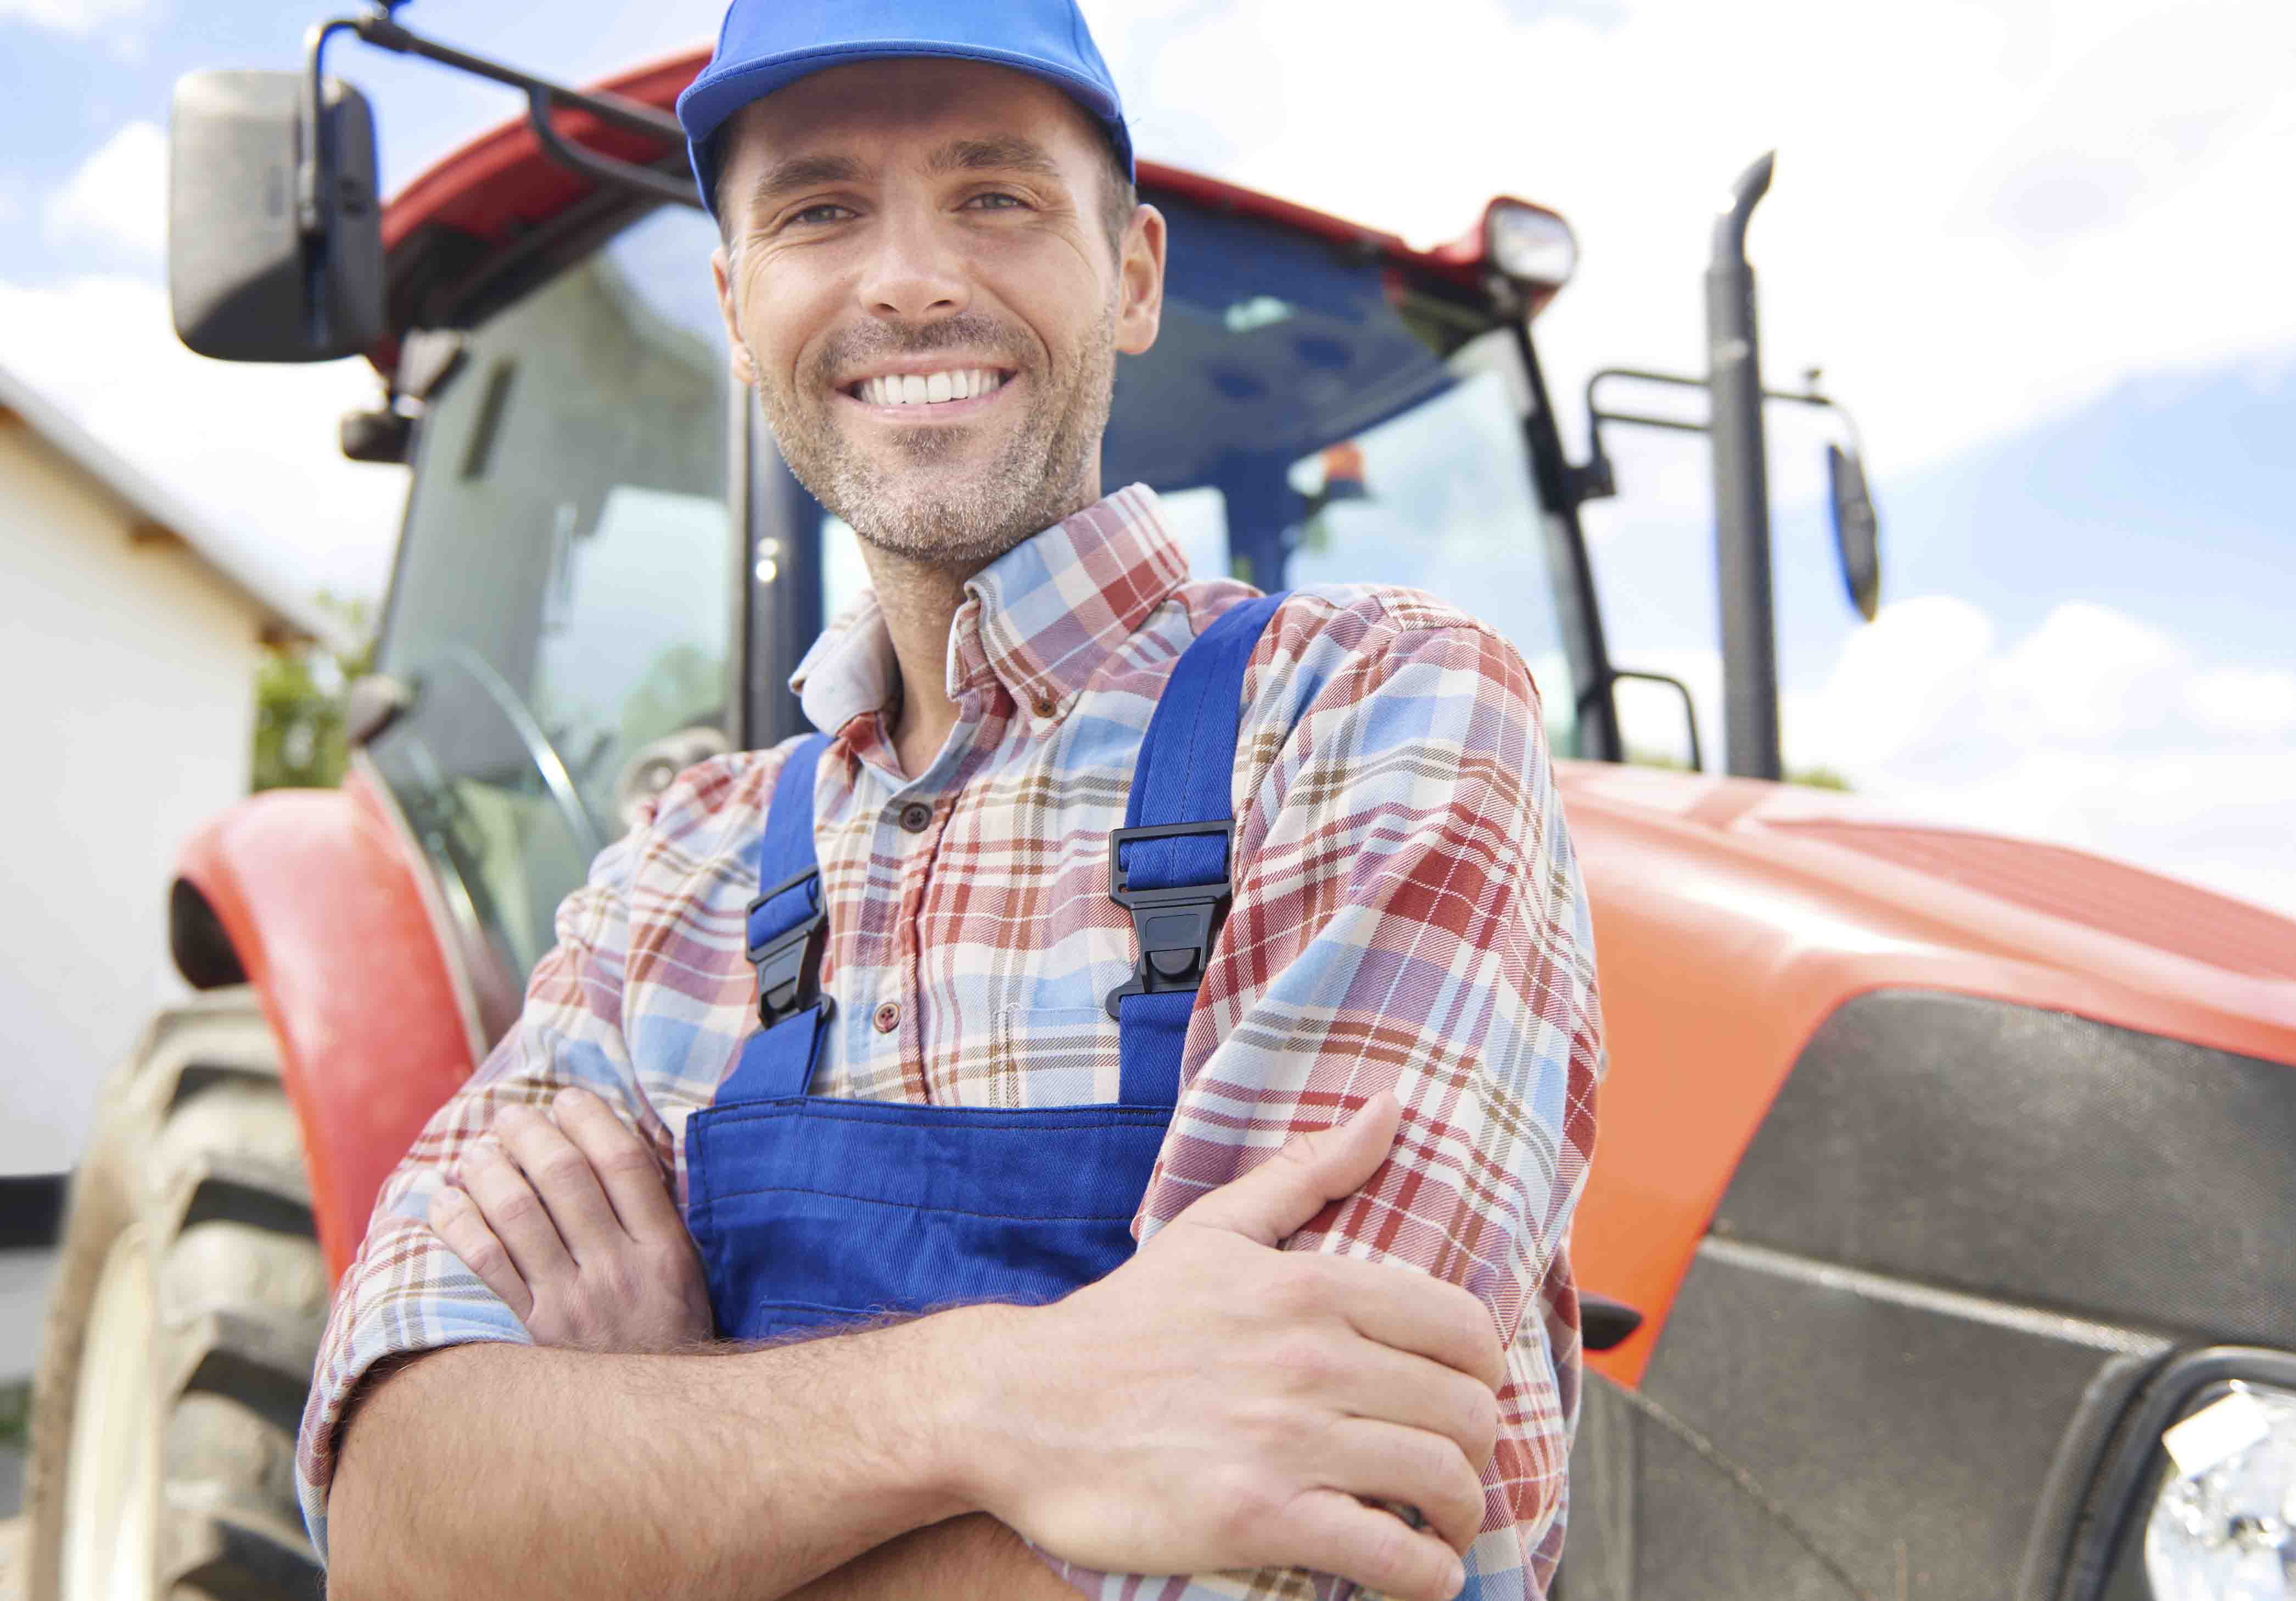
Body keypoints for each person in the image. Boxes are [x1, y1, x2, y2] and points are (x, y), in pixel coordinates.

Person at [298, 3, 1605, 1599]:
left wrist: (656, 1443)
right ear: (736, 304)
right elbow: (394, 1525)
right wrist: (995, 1409)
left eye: (995, 195)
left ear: (1130, 276)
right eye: (818, 209)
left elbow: (1285, 1561)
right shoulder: (676, 871)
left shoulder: (1370, 721)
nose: (910, 279)